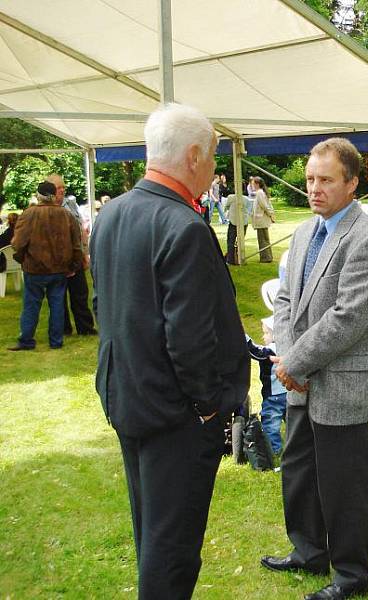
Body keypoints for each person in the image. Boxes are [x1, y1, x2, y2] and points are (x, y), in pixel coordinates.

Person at [90, 103, 250, 600]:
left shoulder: (112, 213)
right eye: (213, 159)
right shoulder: (182, 226)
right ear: (194, 155)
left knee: (153, 535)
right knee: (172, 548)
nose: (214, 171)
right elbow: (190, 338)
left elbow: (105, 305)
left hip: (130, 398)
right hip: (175, 414)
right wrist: (207, 407)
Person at [262, 138, 368, 600]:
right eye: (310, 179)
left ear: (352, 184)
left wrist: (293, 362)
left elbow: (349, 317)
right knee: (299, 473)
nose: (314, 188)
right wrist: (289, 359)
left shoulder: (366, 239)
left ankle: (351, 576)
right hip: (300, 380)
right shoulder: (302, 232)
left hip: (340, 385)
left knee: (344, 487)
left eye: (326, 180)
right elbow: (285, 298)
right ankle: (308, 551)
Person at [8, 181, 82, 351]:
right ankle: (56, 341)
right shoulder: (66, 215)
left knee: (31, 305)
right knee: (57, 305)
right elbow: (76, 244)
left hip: (34, 268)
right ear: (54, 195)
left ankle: (26, 340)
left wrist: (21, 258)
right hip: (59, 269)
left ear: (38, 195)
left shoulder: (29, 214)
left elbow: (18, 243)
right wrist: (74, 266)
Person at [47, 174, 96, 336]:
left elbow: (81, 229)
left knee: (80, 295)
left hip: (75, 256)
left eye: (63, 187)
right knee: (58, 297)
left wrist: (85, 254)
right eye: (58, 187)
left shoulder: (71, 204)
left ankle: (85, 328)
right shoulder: (44, 209)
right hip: (56, 260)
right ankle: (63, 328)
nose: (61, 190)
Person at [247, 317, 287, 456]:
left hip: (274, 397)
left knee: (271, 424)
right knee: (293, 422)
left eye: (266, 333)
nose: (264, 336)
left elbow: (254, 351)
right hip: (290, 393)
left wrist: (243, 337)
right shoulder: (289, 347)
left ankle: (274, 450)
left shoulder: (271, 351)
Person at [251, 176, 276, 263]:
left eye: (253, 183)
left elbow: (265, 206)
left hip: (261, 219)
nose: (252, 185)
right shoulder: (260, 192)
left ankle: (266, 258)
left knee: (263, 239)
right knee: (264, 238)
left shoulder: (259, 193)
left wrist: (271, 215)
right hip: (261, 219)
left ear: (257, 184)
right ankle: (267, 257)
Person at [224, 188, 248, 265]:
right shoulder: (246, 199)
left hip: (234, 222)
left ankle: (231, 260)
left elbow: (226, 206)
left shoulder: (231, 197)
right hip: (243, 223)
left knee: (231, 241)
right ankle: (239, 258)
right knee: (240, 242)